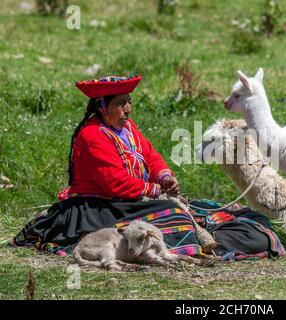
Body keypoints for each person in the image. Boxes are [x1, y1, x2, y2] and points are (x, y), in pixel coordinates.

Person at [13, 75, 202, 257]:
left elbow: (150, 155)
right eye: (120, 103)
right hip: (98, 207)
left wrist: (164, 177)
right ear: (102, 107)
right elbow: (115, 183)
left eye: (129, 102)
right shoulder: (92, 135)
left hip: (125, 201)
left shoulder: (127, 128)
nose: (127, 109)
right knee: (174, 214)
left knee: (193, 208)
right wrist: (154, 189)